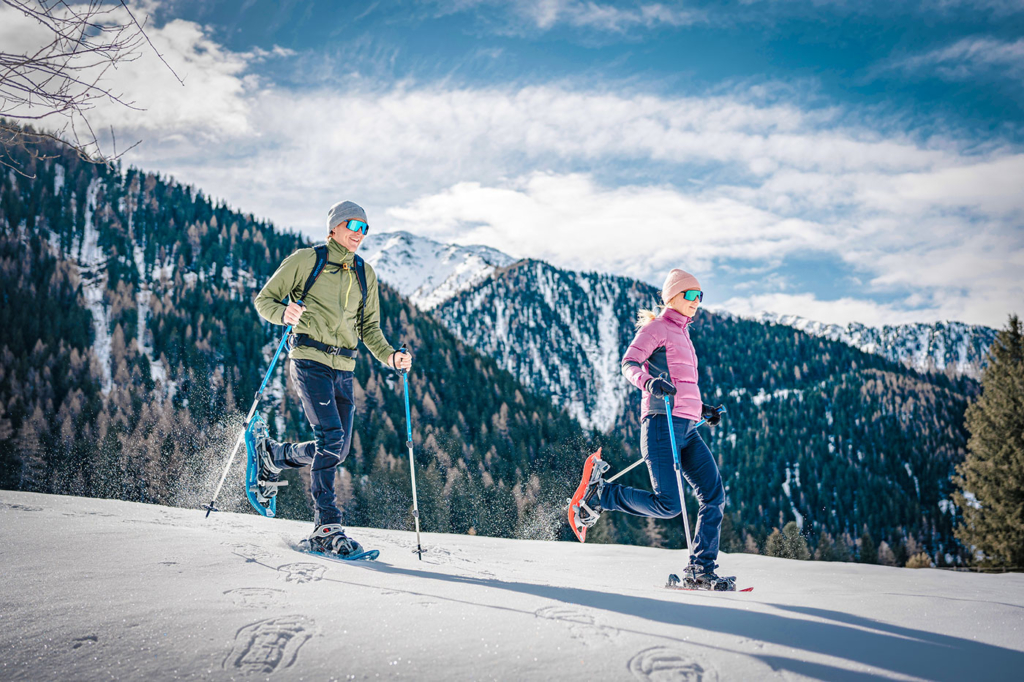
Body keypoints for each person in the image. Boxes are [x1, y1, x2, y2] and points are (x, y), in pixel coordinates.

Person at [253, 200, 412, 557]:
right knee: (331, 436)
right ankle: (327, 525)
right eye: (352, 226)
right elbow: (265, 300)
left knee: (337, 449)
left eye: (364, 229)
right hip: (309, 360)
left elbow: (369, 328)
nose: (359, 235)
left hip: (345, 367)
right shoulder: (306, 260)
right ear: (334, 228)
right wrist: (284, 312)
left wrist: (391, 356)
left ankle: (273, 455)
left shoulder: (364, 273)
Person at [573, 268, 730, 588]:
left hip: (688, 427)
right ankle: (604, 495)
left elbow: (683, 385)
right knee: (670, 505)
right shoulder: (657, 328)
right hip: (661, 423)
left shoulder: (684, 334)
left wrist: (703, 410)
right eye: (690, 294)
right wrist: (649, 382)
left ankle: (701, 569)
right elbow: (629, 364)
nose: (696, 301)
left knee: (714, 496)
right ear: (672, 296)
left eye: (700, 296)